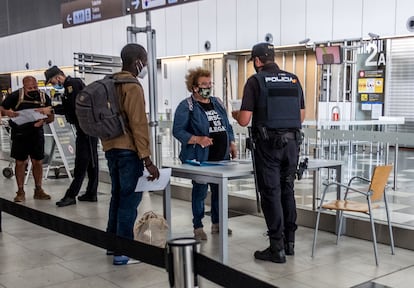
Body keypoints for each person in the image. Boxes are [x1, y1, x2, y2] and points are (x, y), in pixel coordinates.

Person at [232, 43, 305, 263]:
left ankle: (276, 248)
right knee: (287, 190)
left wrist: (236, 114)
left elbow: (245, 120)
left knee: (271, 193)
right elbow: (300, 116)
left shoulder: (255, 81)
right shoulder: (293, 80)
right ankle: (289, 243)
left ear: (256, 61)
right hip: (293, 146)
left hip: (269, 147)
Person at [102, 43, 160, 265]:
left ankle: (111, 244)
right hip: (128, 151)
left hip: (110, 148)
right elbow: (138, 124)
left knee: (117, 197)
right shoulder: (132, 86)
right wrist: (147, 159)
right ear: (137, 61)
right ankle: (122, 251)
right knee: (129, 201)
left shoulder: (111, 83)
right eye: (144, 61)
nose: (145, 65)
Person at [173, 67, 237, 241]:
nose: (208, 87)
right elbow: (178, 131)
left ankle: (217, 223)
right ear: (194, 87)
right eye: (203, 84)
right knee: (200, 192)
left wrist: (231, 142)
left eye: (210, 83)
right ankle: (198, 226)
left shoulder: (217, 102)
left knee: (219, 192)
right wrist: (197, 139)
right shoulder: (187, 106)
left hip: (221, 158)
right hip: (201, 159)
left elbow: (227, 125)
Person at [43, 66, 99, 207]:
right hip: (88, 128)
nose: (53, 84)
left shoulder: (71, 84)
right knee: (92, 162)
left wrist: (52, 109)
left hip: (85, 129)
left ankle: (71, 195)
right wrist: (52, 109)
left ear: (57, 77)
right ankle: (91, 193)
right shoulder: (74, 83)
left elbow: (73, 107)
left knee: (81, 162)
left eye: (51, 81)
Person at [0, 76, 54, 202]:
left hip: (37, 132)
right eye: (30, 88)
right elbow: (2, 109)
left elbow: (51, 116)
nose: (33, 89)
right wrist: (8, 113)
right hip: (20, 133)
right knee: (20, 162)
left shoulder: (43, 97)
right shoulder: (15, 96)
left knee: (38, 162)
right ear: (24, 86)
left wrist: (44, 121)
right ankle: (20, 191)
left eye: (35, 87)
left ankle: (38, 189)